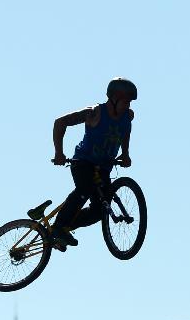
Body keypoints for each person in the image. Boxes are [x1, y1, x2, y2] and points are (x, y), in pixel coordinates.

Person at [43, 78, 136, 250]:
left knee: (99, 211)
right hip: (83, 162)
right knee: (85, 189)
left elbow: (125, 132)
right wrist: (59, 153)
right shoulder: (94, 112)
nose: (128, 105)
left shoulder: (127, 116)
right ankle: (58, 227)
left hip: (103, 167)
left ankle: (63, 229)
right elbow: (60, 122)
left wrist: (125, 153)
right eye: (125, 101)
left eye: (129, 101)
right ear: (114, 98)